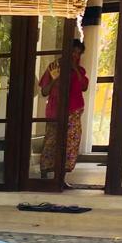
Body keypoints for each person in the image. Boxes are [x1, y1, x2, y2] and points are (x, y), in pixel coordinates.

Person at [38, 39, 88, 180]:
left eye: (78, 53)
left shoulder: (80, 70)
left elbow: (84, 87)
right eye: (73, 52)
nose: (75, 55)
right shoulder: (53, 67)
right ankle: (44, 175)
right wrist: (55, 80)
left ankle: (61, 178)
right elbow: (44, 92)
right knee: (51, 142)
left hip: (74, 112)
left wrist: (75, 69)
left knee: (70, 143)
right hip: (56, 111)